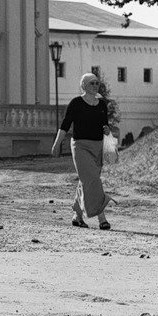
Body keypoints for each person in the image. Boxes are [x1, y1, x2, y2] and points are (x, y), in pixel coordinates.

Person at [51, 73, 115, 230]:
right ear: (84, 85)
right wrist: (57, 143)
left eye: (97, 83)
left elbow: (104, 125)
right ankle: (101, 217)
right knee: (92, 179)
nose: (96, 85)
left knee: (86, 181)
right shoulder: (76, 103)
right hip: (80, 146)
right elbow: (66, 124)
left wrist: (107, 131)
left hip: (98, 146)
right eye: (92, 83)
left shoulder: (101, 105)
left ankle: (77, 216)